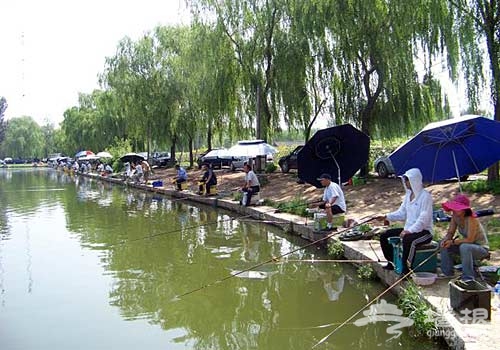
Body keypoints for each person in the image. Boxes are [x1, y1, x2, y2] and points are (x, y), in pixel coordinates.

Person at [376, 168, 434, 275]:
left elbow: (423, 220)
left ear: (414, 180)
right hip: (409, 230)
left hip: (424, 232)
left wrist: (410, 231)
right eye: (405, 179)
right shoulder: (408, 196)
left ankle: (406, 269)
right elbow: (402, 213)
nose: (405, 182)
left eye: (407, 179)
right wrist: (386, 216)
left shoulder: (425, 197)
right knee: (384, 235)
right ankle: (391, 262)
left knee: (408, 240)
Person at [439, 194, 489, 282]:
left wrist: (453, 242)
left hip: (481, 248)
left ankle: (468, 278)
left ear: (464, 209)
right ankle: (447, 273)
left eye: (458, 208)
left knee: (464, 247)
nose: (455, 210)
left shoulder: (471, 219)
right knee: (443, 243)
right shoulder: (455, 217)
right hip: (467, 246)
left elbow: (470, 240)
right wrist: (446, 239)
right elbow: (450, 232)